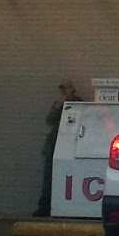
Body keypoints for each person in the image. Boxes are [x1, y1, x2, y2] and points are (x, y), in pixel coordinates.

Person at [35, 80, 79, 216]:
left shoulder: (77, 103)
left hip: (68, 146)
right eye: (61, 89)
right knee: (48, 177)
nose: (63, 91)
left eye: (65, 88)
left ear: (72, 89)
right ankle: (45, 206)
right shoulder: (58, 103)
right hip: (53, 146)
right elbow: (49, 120)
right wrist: (57, 106)